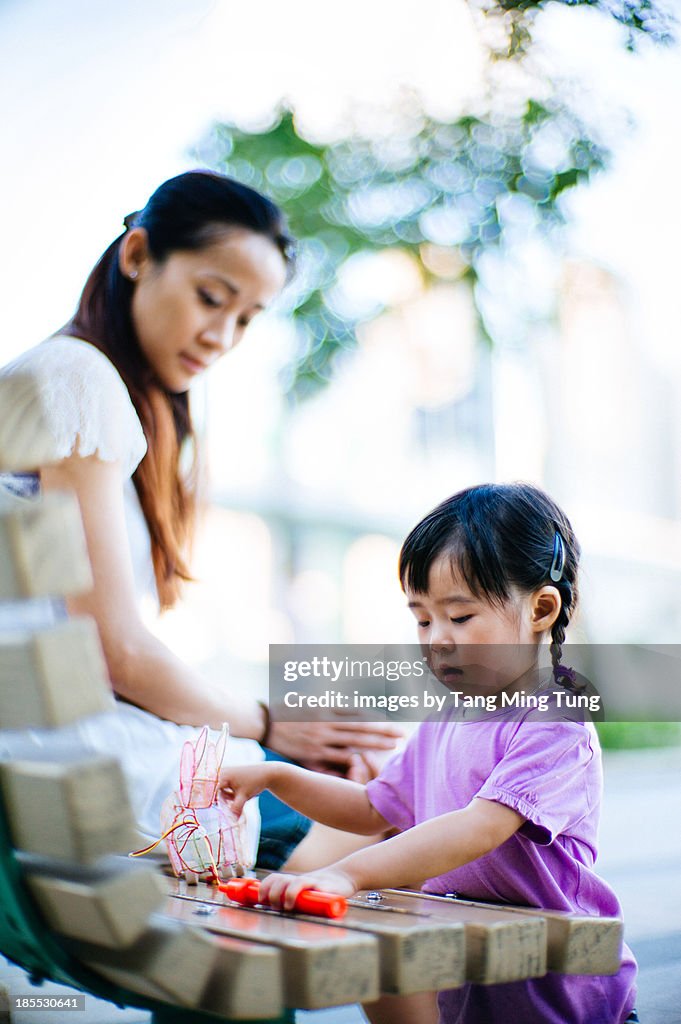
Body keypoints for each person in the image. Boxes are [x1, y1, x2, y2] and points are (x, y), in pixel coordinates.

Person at [0, 170, 399, 865]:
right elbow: (115, 654)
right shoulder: (76, 378)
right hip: (87, 776)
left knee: (370, 801)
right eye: (210, 298)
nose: (221, 335)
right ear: (136, 256)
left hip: (67, 765)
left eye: (246, 318)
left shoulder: (83, 391)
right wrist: (274, 726)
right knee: (399, 830)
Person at [219, 482, 639, 1024]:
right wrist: (278, 776)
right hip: (477, 982)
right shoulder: (448, 718)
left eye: (460, 617)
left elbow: (477, 828)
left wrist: (347, 874)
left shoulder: (554, 723)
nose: (436, 638)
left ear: (540, 608)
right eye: (422, 618)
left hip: (562, 994)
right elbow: (373, 808)